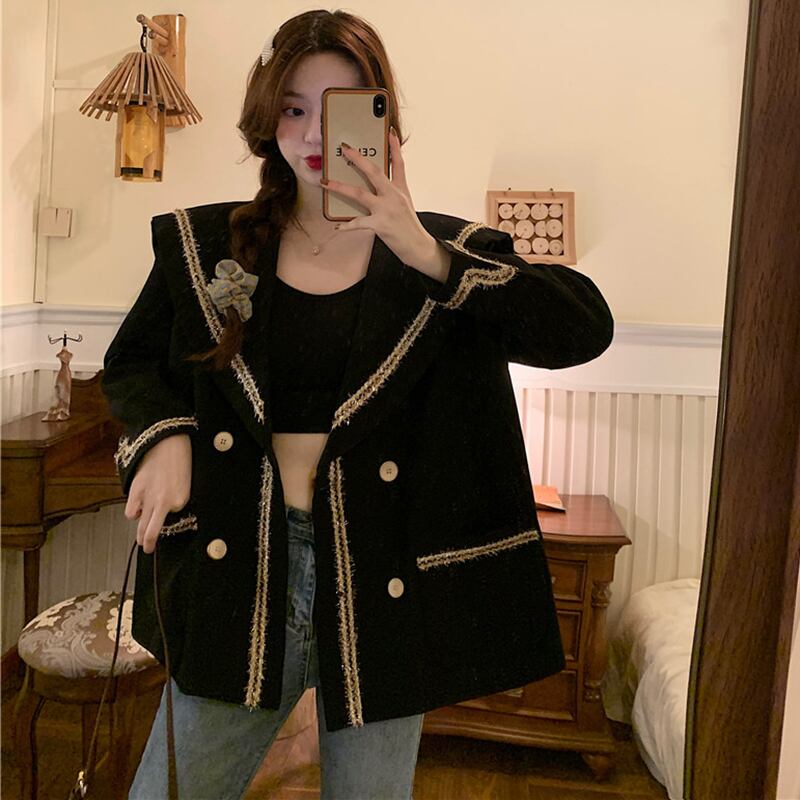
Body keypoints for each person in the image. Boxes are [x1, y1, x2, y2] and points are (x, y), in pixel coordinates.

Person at [102, 9, 614, 800]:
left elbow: (582, 328)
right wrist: (167, 438)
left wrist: (423, 250)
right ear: (267, 116)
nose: (314, 132)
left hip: (380, 581)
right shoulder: (206, 247)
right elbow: (133, 362)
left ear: (382, 120)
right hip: (243, 569)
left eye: (339, 107)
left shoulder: (442, 250)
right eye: (293, 107)